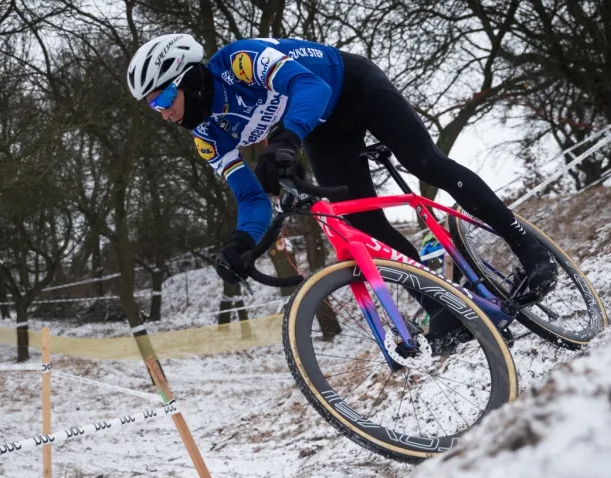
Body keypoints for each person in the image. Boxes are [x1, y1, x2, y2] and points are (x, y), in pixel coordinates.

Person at [126, 34, 556, 349]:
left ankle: (531, 250)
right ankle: (444, 306)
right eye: (151, 106)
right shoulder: (208, 136)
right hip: (324, 130)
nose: (162, 111)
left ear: (190, 77)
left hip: (351, 85)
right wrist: (241, 242)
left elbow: (311, 87)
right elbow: (251, 198)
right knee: (360, 221)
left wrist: (285, 140)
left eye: (163, 96)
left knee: (424, 162)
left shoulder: (239, 61)